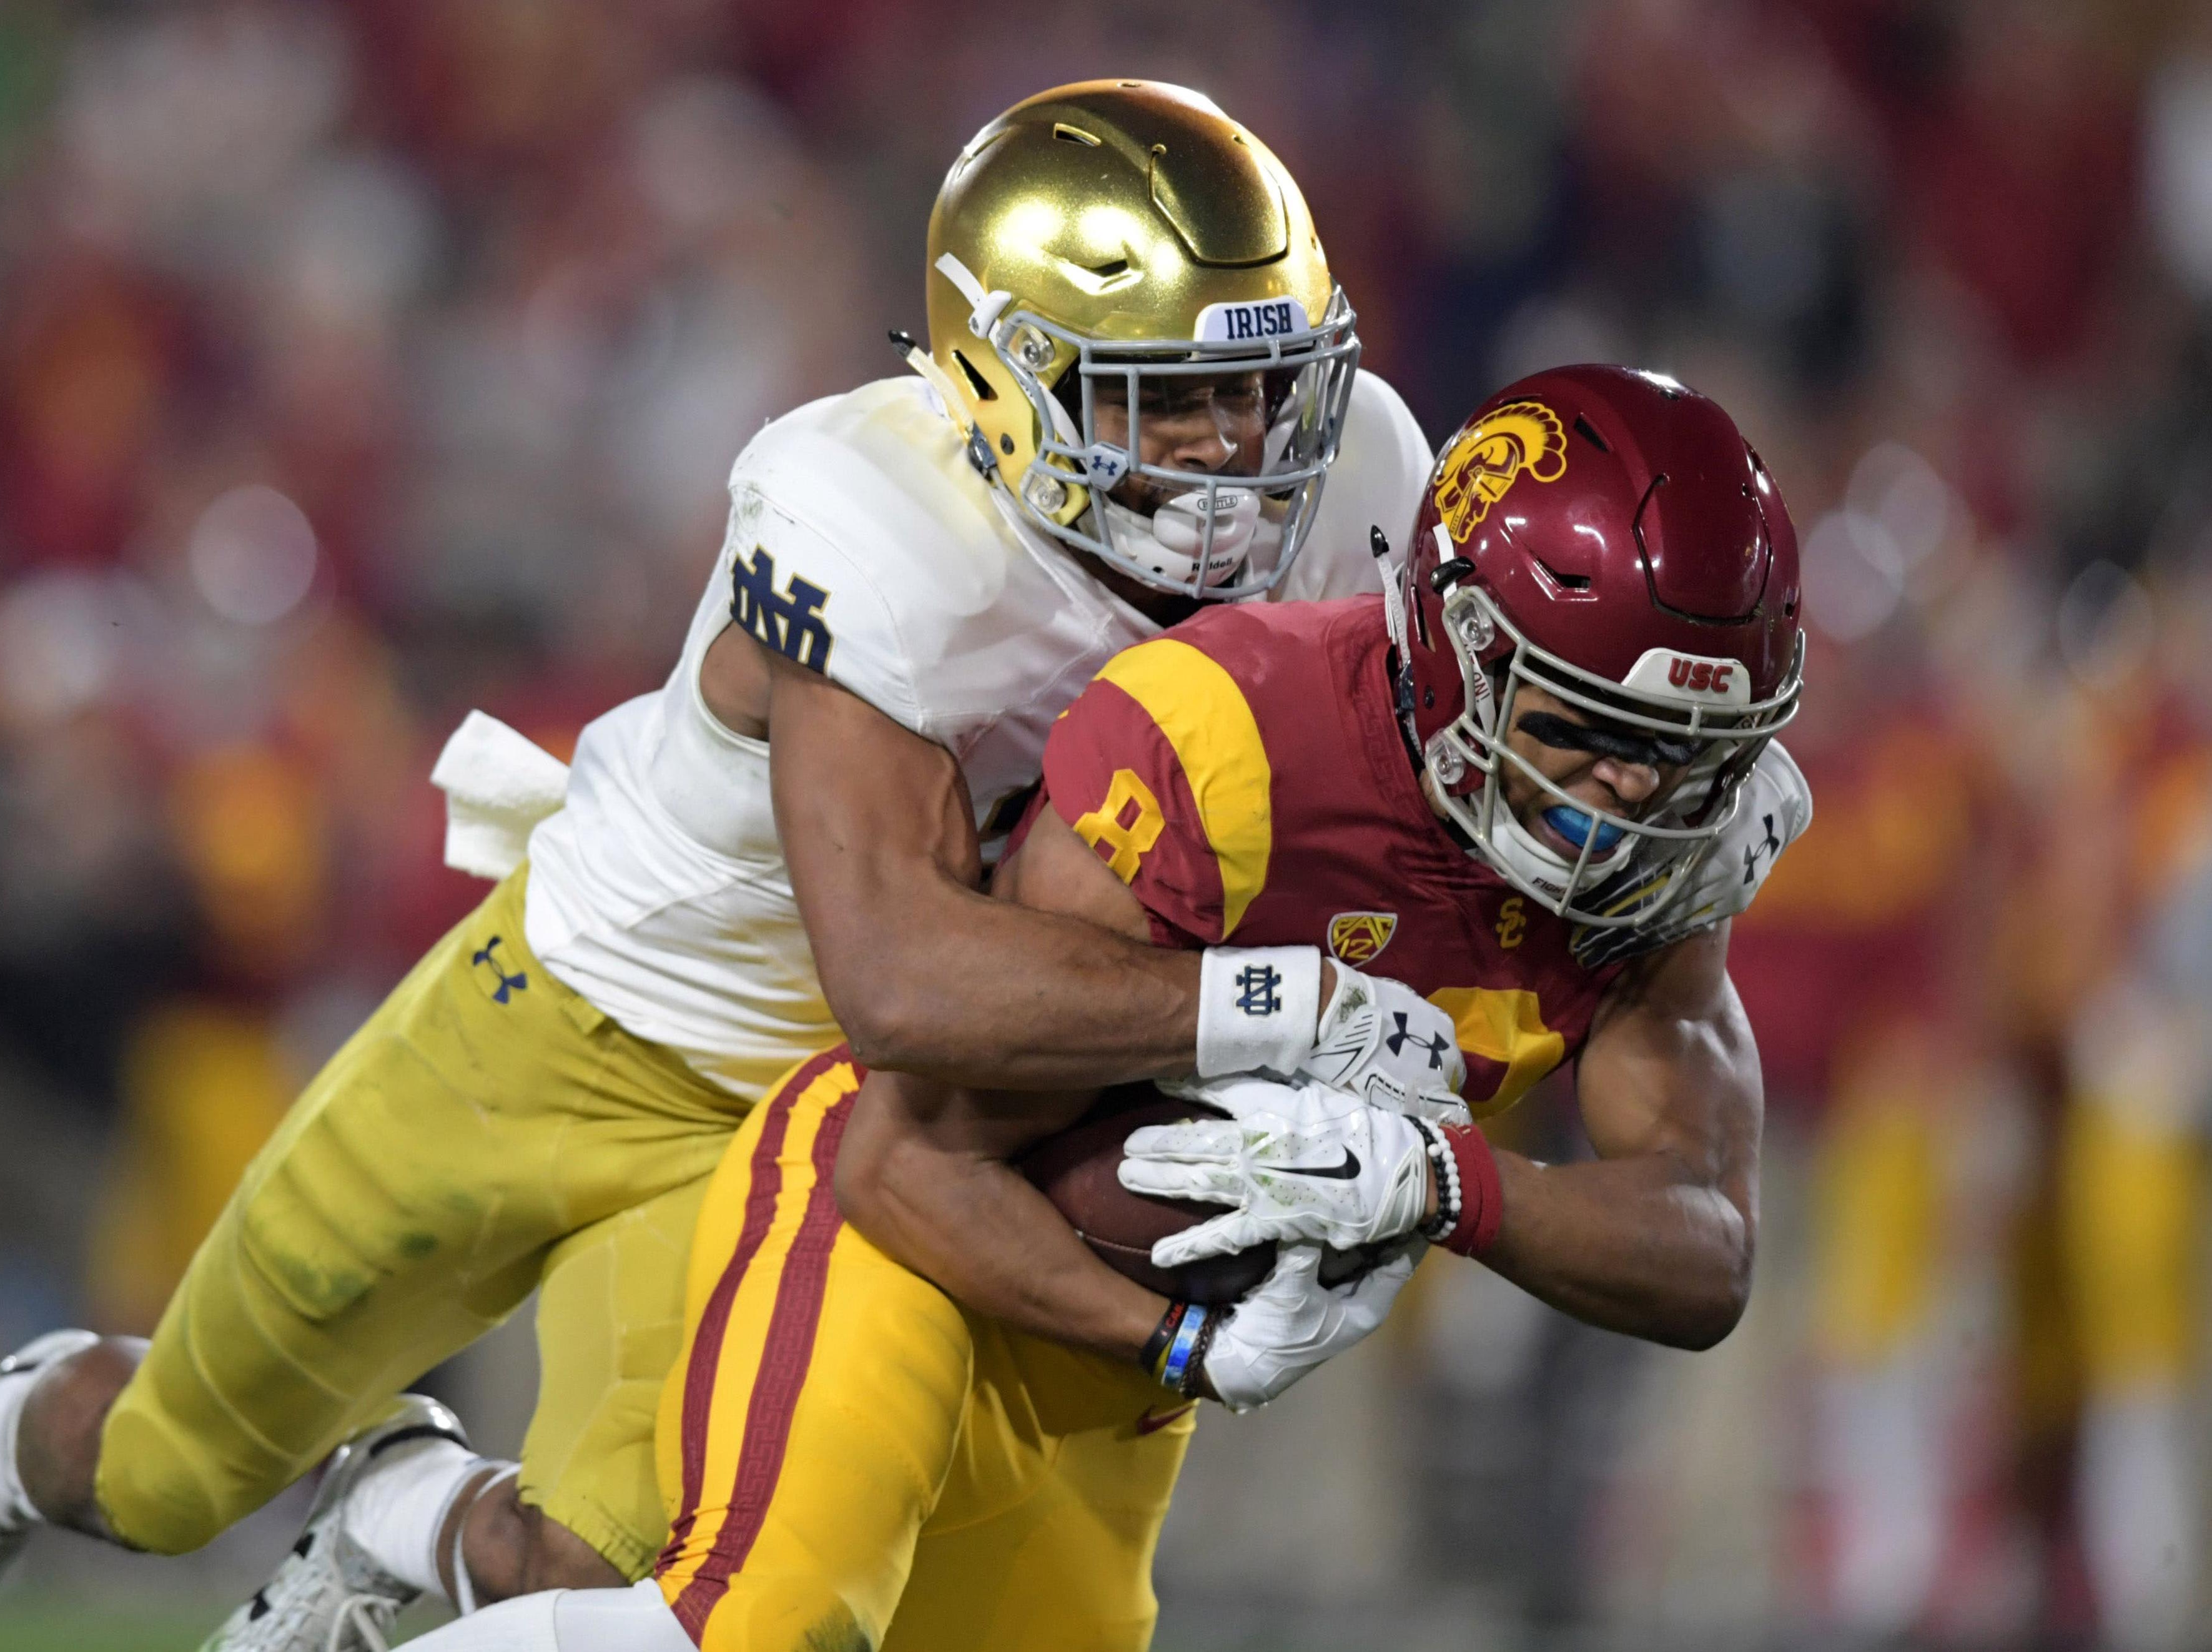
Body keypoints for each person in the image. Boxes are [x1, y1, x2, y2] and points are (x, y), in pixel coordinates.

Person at [0, 81, 1461, 1652]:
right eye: (1162, 400)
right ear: (998, 372)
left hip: (795, 1115)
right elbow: (905, 977)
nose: (1234, 452)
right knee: (173, 1467)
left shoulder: (1367, 483)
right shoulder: (876, 509)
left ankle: (402, 1514)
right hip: (568, 1012)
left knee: (633, 1588)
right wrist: (1287, 1006)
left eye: (1263, 389)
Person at [391, 365, 1812, 1651]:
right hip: (914, 1239)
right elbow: (907, 1154)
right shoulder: (1230, 735)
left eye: (1683, 755)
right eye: (1580, 727)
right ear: (1454, 640)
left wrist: (1452, 1184)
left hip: (1110, 1376)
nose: (1623, 801)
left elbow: (1707, 1249)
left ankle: (402, 1526)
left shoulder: (1671, 849)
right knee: (757, 1635)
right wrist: (1190, 1307)